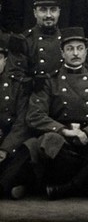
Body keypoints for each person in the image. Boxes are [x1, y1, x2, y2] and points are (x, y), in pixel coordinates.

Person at [24, 27, 88, 199]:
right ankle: (86, 183)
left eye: (80, 48)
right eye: (70, 49)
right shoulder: (48, 81)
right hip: (63, 141)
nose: (75, 53)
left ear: (86, 52)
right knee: (50, 140)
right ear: (62, 52)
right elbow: (34, 115)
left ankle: (70, 187)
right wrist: (63, 131)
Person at [7, 0, 65, 77]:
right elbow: (15, 75)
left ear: (59, 12)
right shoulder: (24, 41)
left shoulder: (66, 39)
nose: (48, 15)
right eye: (43, 10)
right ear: (35, 13)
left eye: (53, 10)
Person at [0, 32, 30, 199]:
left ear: (5, 61)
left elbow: (22, 122)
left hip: (10, 142)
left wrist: (4, 149)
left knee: (28, 148)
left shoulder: (17, 86)